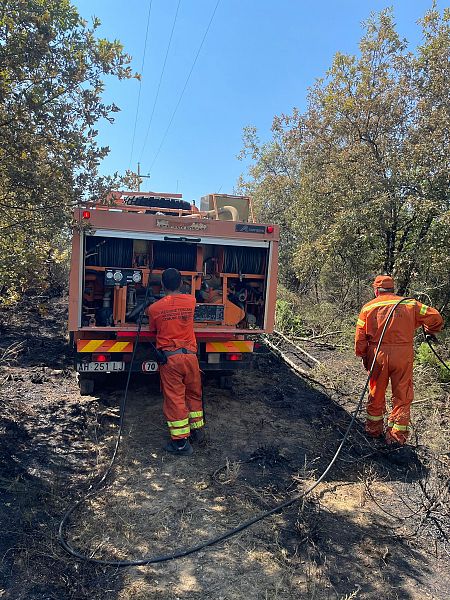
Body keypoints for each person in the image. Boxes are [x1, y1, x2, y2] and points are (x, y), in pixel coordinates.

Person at [355, 275, 443, 448]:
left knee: (376, 391)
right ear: (392, 289)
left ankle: (373, 430)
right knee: (402, 394)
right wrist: (430, 330)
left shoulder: (368, 307)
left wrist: (363, 355)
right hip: (403, 354)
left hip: (378, 353)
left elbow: (360, 337)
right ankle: (396, 437)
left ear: (376, 290)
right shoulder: (411, 304)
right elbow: (436, 317)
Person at [146, 268, 204, 455]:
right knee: (193, 394)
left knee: (175, 398)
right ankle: (197, 430)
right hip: (191, 357)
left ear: (162, 285)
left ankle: (180, 444)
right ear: (181, 283)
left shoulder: (154, 309)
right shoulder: (191, 301)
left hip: (171, 360)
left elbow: (152, 329)